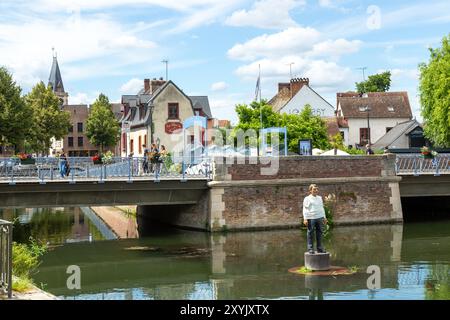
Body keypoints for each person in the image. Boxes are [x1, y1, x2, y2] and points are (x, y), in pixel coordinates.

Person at [302, 184, 328, 254]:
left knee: (319, 233)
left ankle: (320, 248)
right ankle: (310, 249)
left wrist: (324, 217)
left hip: (319, 217)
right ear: (310, 190)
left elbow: (322, 208)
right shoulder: (307, 198)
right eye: (314, 189)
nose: (316, 190)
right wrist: (305, 219)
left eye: (317, 189)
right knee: (310, 233)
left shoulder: (319, 198)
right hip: (311, 218)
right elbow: (305, 209)